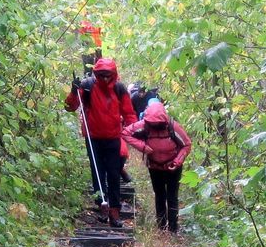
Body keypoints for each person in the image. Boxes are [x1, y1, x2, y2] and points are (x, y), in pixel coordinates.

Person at [65, 58, 137, 227]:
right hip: (93, 138)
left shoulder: (119, 88)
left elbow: (129, 113)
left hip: (113, 137)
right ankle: (102, 205)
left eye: (108, 75)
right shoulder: (87, 86)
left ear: (114, 75)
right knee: (97, 172)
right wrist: (73, 92)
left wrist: (133, 132)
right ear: (97, 74)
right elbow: (70, 107)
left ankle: (115, 211)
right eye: (102, 75)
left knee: (113, 174)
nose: (105, 79)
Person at [122, 102, 191, 233]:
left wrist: (177, 161)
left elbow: (186, 145)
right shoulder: (144, 126)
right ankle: (161, 226)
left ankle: (173, 228)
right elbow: (125, 133)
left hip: (173, 167)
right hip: (155, 167)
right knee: (159, 195)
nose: (155, 125)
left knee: (172, 196)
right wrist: (142, 146)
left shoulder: (173, 127)